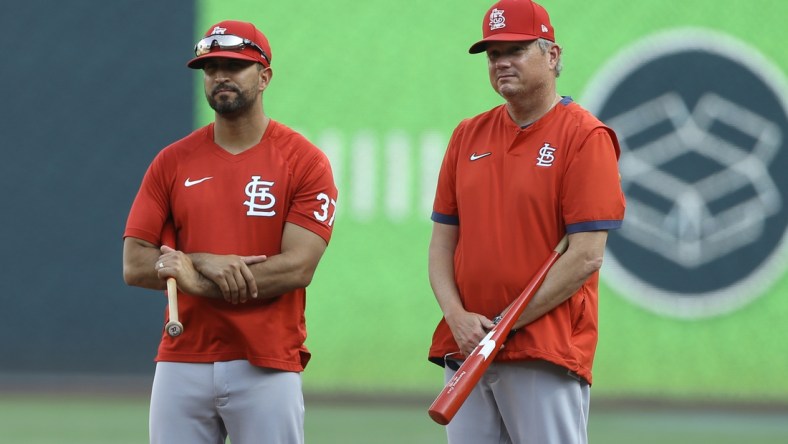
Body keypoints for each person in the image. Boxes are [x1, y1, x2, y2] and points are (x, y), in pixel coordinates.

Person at [123, 20, 338, 444]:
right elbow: (134, 264)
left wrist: (195, 281)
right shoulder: (172, 161)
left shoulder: (305, 161)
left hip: (267, 361)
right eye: (211, 67)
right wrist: (202, 260)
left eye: (234, 65)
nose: (220, 75)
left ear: (264, 77)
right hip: (182, 358)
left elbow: (296, 268)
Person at [427, 0, 625, 443]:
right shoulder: (467, 135)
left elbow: (586, 257)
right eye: (494, 54)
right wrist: (456, 315)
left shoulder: (585, 137)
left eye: (515, 50)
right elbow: (442, 244)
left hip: (543, 350)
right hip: (466, 347)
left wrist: (504, 326)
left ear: (552, 56)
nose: (502, 63)